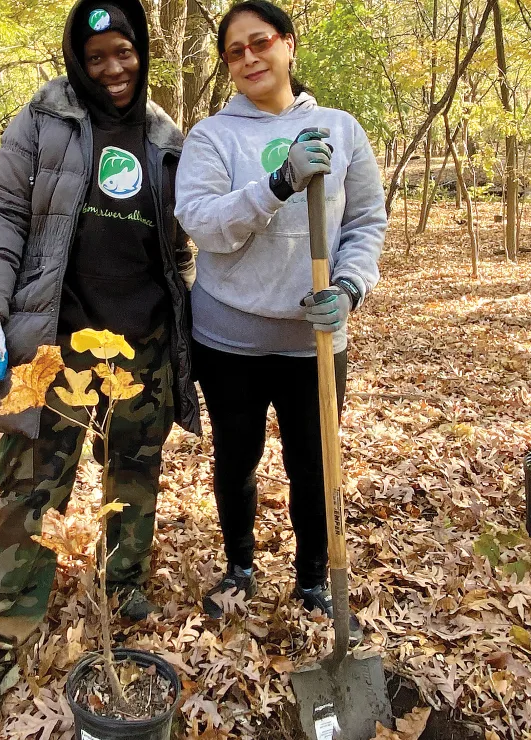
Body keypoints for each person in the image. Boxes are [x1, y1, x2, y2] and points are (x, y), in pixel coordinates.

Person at [0, 0, 200, 724]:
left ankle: (122, 584)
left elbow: (182, 240)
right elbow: (3, 217)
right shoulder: (42, 120)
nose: (114, 69)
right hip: (51, 342)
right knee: (30, 491)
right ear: (76, 62)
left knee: (134, 476)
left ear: (142, 52)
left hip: (143, 344)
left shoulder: (164, 135)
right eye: (98, 59)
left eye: (125, 53)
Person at [173, 0, 386, 640]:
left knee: (313, 461)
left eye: (258, 42)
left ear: (288, 44)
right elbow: (203, 224)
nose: (249, 58)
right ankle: (240, 565)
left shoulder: (340, 129)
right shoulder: (211, 137)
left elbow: (366, 222)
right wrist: (278, 182)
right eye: (234, 52)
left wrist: (349, 287)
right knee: (237, 457)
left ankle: (314, 576)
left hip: (314, 338)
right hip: (228, 337)